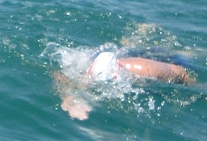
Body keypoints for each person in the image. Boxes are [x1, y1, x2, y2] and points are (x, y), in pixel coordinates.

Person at [55, 48, 196, 120]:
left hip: (163, 61)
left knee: (184, 57)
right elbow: (59, 76)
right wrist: (68, 99)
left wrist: (194, 88)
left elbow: (180, 73)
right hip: (128, 57)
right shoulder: (89, 70)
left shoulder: (144, 69)